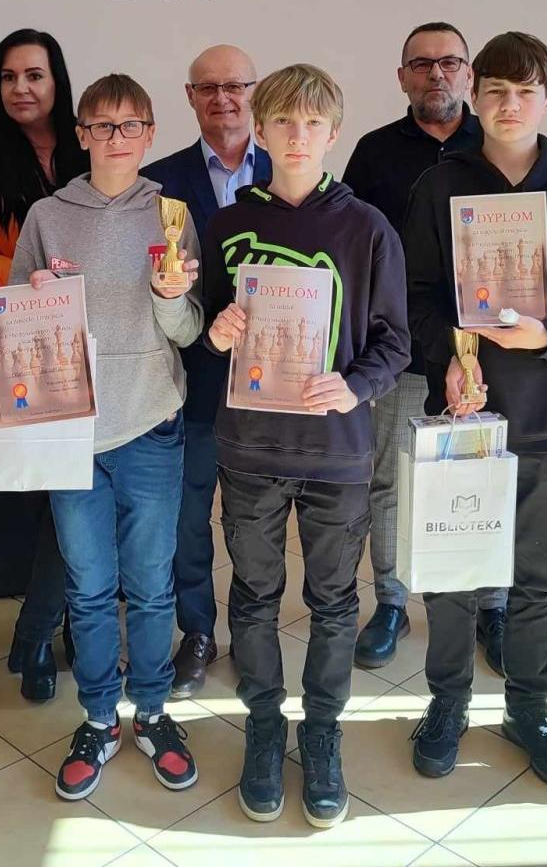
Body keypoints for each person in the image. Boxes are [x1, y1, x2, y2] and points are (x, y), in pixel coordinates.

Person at [403, 32, 547, 787]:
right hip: (462, 417)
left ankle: (529, 710)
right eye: (496, 91)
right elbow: (413, 297)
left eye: (525, 92)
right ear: (474, 95)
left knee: (536, 581)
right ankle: (446, 704)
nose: (509, 105)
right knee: (452, 578)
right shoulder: (440, 187)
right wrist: (449, 350)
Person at [202, 64, 410, 828]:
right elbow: (203, 330)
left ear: (333, 133)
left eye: (312, 123)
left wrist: (354, 386)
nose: (297, 135)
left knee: (333, 600)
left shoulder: (367, 228)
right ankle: (264, 726)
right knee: (254, 595)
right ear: (259, 131)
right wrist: (218, 331)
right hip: (251, 447)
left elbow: (394, 342)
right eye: (283, 121)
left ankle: (321, 732)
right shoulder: (227, 225)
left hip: (337, 451)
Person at [11, 74, 204, 803]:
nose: (115, 138)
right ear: (81, 134)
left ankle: (151, 712)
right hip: (71, 432)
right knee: (89, 590)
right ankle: (98, 718)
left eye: (130, 126)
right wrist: (32, 298)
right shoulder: (48, 216)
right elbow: (14, 320)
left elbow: (189, 330)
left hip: (151, 420)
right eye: (101, 126)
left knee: (151, 587)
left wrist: (169, 297)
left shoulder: (172, 213)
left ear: (149, 133)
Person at [342, 21, 488, 670]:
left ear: (469, 75)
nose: (436, 73)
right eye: (422, 64)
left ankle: (491, 606)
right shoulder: (373, 153)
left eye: (450, 62)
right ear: (402, 77)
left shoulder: (500, 146)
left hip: (488, 351)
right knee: (391, 481)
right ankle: (393, 602)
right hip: (401, 347)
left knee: (482, 479)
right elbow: (351, 249)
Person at [0, 29, 89, 701]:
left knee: (80, 494)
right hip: (21, 343)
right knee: (59, 493)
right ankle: (42, 630)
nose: (21, 89)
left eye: (34, 75)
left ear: (57, 80)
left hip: (91, 341)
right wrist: (35, 272)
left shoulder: (88, 144)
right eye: (8, 78)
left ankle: (50, 627)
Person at [142, 44, 270, 699]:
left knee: (253, 523)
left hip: (267, 387)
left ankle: (251, 633)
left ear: (255, 92)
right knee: (188, 520)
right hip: (188, 381)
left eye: (235, 85)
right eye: (208, 87)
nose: (223, 98)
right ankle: (197, 632)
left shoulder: (288, 172)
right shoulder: (155, 184)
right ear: (190, 97)